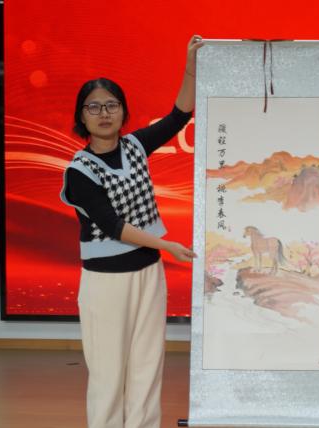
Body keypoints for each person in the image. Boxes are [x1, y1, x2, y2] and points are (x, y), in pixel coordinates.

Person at [60, 35, 203, 428]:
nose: (104, 113)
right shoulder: (79, 171)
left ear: (123, 111)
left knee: (146, 368)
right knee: (108, 375)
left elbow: (178, 116)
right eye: (94, 107)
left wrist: (190, 66)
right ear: (82, 117)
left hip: (148, 274)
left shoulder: (135, 147)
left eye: (112, 105)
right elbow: (113, 226)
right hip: (106, 283)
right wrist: (166, 244)